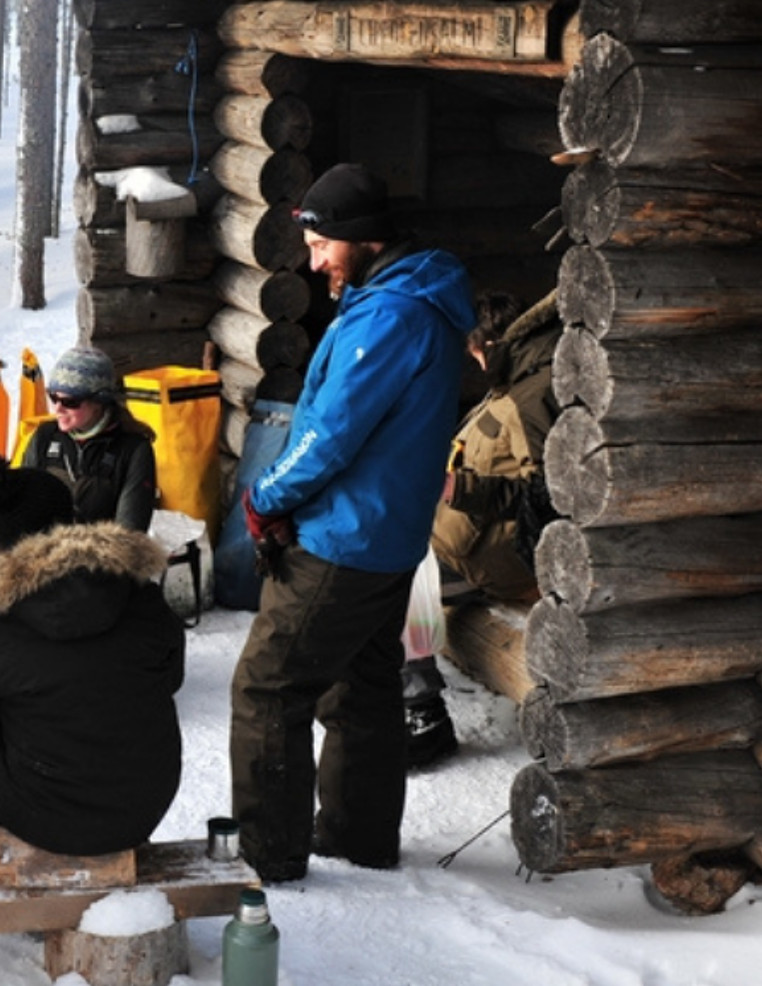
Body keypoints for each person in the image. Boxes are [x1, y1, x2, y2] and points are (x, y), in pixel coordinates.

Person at [231, 163, 475, 881]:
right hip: (385, 537)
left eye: (323, 244)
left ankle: (268, 856)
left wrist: (266, 496)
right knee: (360, 686)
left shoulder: (391, 315)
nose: (314, 261)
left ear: (364, 238)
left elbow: (329, 436)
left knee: (268, 688)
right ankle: (357, 836)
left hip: (343, 539)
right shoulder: (401, 297)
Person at [0, 456, 184, 857]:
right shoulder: (137, 591)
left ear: (0, 541)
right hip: (145, 801)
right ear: (71, 520)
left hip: (44, 817)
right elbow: (171, 677)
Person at [403, 290, 563, 771]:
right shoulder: (515, 383)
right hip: (471, 545)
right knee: (402, 559)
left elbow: (550, 498)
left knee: (400, 575)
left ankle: (421, 713)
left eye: (475, 351)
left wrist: (461, 488)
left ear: (493, 344)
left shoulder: (532, 398)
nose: (473, 362)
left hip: (504, 560)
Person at [17, 345, 158, 533]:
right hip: (41, 553)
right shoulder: (45, 436)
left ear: (99, 402)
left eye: (70, 402)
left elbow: (129, 534)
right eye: (53, 397)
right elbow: (19, 508)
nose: (57, 409)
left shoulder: (133, 449)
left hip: (103, 557)